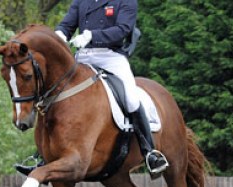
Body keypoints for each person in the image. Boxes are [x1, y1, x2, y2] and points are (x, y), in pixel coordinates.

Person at [16, 0, 168, 176]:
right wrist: (59, 36)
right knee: (53, 97)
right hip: (83, 57)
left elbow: (123, 29)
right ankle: (42, 156)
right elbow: (67, 24)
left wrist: (91, 36)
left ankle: (149, 152)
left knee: (131, 99)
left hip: (111, 57)